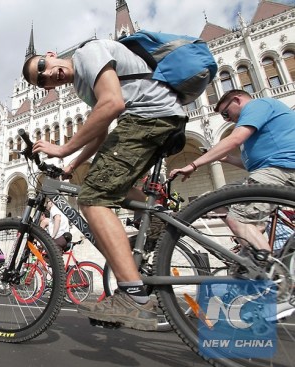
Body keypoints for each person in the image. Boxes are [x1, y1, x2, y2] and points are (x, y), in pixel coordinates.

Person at [23, 39, 187, 330]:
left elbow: (113, 103)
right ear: (47, 88)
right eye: (42, 81)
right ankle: (161, 222)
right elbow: (99, 134)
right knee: (107, 184)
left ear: (51, 55)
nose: (48, 75)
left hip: (149, 118)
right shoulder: (84, 86)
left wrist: (62, 149)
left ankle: (134, 297)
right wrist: (72, 164)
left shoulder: (88, 53)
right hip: (158, 117)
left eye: (42, 67)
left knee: (91, 197)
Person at [170, 89, 295, 252]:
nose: (228, 119)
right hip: (271, 170)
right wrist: (226, 158)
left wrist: (192, 165)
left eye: (226, 113)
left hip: (282, 169)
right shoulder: (259, 127)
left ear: (237, 100)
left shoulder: (257, 105)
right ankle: (254, 252)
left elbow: (234, 139)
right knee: (214, 200)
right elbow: (251, 166)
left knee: (240, 219)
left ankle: (265, 270)